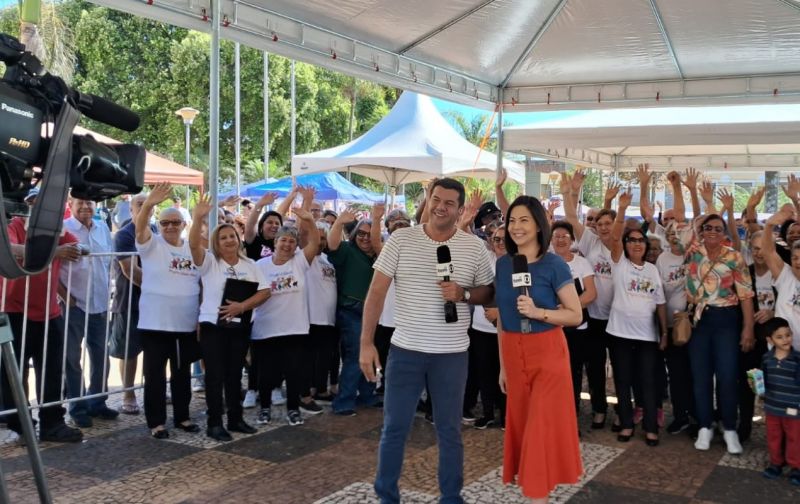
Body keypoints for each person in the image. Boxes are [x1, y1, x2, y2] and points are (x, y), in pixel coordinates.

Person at [359, 178, 495, 503]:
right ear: (428, 200)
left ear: (461, 210)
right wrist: (366, 342)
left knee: (449, 431)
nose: (441, 207)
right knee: (394, 429)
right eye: (437, 199)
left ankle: (451, 497)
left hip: (451, 355)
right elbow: (376, 292)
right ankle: (386, 495)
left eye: (449, 203)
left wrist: (462, 293)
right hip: (405, 350)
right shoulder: (401, 240)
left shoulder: (474, 247)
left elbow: (488, 293)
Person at [494, 195, 583, 501]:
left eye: (524, 220)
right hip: (513, 351)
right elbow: (502, 319)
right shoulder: (503, 264)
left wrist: (539, 312)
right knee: (522, 425)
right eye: (512, 221)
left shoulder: (554, 263)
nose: (516, 227)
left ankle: (537, 496)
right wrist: (504, 366)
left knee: (540, 430)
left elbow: (575, 314)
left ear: (538, 225)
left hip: (547, 353)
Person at [671, 170, 755, 454]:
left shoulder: (734, 257)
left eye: (718, 229)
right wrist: (690, 192)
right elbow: (686, 220)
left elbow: (745, 296)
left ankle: (729, 427)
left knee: (728, 374)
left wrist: (748, 329)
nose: (712, 232)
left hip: (727, 320)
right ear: (701, 231)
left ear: (725, 234)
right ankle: (705, 426)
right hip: (698, 321)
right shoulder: (692, 251)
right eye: (708, 228)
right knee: (701, 375)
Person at [0, 187, 83, 442]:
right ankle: (21, 425)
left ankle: (52, 423)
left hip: (49, 312)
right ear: (27, 205)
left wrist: (67, 247)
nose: (42, 208)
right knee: (14, 373)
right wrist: (54, 252)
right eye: (35, 203)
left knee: (52, 370)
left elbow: (76, 246)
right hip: (14, 310)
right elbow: (10, 248)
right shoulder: (15, 225)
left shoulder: (56, 230)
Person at [190, 195, 270, 442]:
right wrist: (197, 218)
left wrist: (243, 306)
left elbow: (265, 291)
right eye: (223, 237)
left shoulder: (250, 264)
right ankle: (215, 423)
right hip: (213, 326)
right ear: (217, 242)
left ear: (238, 239)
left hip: (240, 326)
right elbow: (193, 245)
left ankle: (235, 418)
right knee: (215, 374)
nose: (228, 240)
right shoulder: (210, 262)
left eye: (232, 236)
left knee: (235, 373)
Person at [135, 183, 203, 439]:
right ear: (159, 226)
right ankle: (156, 422)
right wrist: (150, 203)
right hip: (155, 323)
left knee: (181, 373)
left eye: (175, 222)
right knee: (154, 375)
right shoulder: (151, 245)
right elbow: (141, 227)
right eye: (165, 223)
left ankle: (183, 417)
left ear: (184, 225)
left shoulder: (193, 249)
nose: (171, 226)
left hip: (185, 324)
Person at [607, 190, 668, 447]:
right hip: (619, 333)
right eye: (631, 240)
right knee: (622, 380)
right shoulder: (619, 263)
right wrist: (620, 209)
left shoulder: (653, 270)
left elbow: (660, 303)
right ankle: (626, 423)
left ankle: (651, 427)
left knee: (647, 380)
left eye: (640, 240)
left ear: (646, 245)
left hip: (646, 335)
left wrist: (664, 332)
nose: (636, 244)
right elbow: (614, 236)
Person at [251, 207, 320, 426]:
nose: (287, 245)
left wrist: (309, 220)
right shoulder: (259, 266)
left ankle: (293, 409)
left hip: (295, 328)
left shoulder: (299, 261)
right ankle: (264, 408)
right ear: (275, 242)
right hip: (266, 328)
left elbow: (315, 244)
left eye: (292, 241)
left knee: (293, 372)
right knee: (266, 374)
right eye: (283, 241)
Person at [562, 171, 617, 429]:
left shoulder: (621, 245)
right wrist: (571, 191)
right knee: (595, 368)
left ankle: (625, 409)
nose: (603, 227)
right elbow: (571, 217)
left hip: (617, 318)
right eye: (600, 223)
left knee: (620, 368)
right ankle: (598, 409)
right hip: (593, 317)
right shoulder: (591, 242)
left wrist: (616, 202)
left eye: (609, 223)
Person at [60, 197, 118, 427]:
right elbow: (51, 267)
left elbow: (108, 264)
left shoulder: (103, 228)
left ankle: (98, 402)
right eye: (80, 202)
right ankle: (77, 406)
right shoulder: (63, 229)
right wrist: (65, 296)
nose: (85, 206)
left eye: (90, 202)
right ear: (71, 203)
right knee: (71, 358)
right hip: (73, 305)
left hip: (100, 304)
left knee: (101, 356)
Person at [328, 208, 379, 416]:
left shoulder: (378, 255)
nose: (365, 238)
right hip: (352, 310)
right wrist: (339, 222)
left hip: (373, 313)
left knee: (370, 355)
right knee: (355, 356)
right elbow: (331, 245)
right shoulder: (347, 251)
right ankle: (344, 401)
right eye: (361, 233)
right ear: (354, 234)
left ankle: (367, 395)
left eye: (369, 234)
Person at [551, 221, 598, 422]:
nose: (560, 240)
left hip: (577, 328)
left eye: (564, 236)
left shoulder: (581, 263)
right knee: (552, 373)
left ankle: (571, 416)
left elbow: (591, 293)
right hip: (551, 327)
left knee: (574, 373)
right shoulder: (547, 262)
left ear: (572, 239)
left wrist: (568, 308)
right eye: (557, 236)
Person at [109, 193, 151, 415]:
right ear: (132, 209)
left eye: (148, 204)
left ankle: (155, 388)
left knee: (154, 349)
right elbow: (130, 270)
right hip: (129, 301)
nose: (145, 208)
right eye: (140, 205)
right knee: (129, 351)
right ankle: (128, 393)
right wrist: (159, 285)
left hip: (153, 302)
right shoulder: (124, 235)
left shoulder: (155, 231)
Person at [656, 222, 694, 435]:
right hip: (672, 324)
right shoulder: (663, 258)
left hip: (693, 323)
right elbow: (661, 292)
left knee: (694, 372)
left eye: (678, 232)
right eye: (670, 232)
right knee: (677, 374)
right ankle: (681, 416)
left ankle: (697, 414)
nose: (674, 236)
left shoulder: (693, 254)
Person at [471, 224, 508, 429]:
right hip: (480, 327)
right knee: (484, 373)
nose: (500, 243)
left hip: (506, 329)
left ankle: (506, 415)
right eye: (496, 239)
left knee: (505, 372)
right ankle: (487, 413)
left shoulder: (518, 264)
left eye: (504, 239)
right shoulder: (485, 260)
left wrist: (500, 313)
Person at [755, 317, 800, 486]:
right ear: (770, 340)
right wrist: (758, 388)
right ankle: (776, 463)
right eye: (779, 337)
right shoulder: (767, 359)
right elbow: (762, 383)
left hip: (794, 409)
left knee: (795, 438)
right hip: (772, 407)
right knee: (774, 436)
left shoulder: (797, 359)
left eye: (787, 335)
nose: (785, 339)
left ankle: (796, 467)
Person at [305, 221, 339, 402]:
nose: (320, 242)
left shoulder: (328, 260)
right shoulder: (305, 258)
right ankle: (311, 388)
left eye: (323, 238)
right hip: (312, 316)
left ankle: (321, 387)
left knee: (326, 355)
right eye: (317, 237)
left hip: (329, 318)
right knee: (311, 356)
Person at [761, 207, 800, 352]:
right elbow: (768, 251)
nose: (798, 262)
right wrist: (769, 225)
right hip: (781, 356)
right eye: (795, 258)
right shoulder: (785, 275)